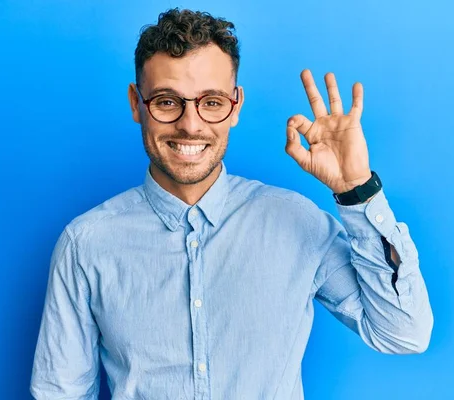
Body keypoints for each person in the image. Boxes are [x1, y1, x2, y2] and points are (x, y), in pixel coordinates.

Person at [30, 8, 433, 400]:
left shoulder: (299, 223)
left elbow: (403, 332)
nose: (191, 124)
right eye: (168, 101)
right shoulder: (85, 245)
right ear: (137, 104)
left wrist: (357, 190)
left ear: (235, 106)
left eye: (211, 101)